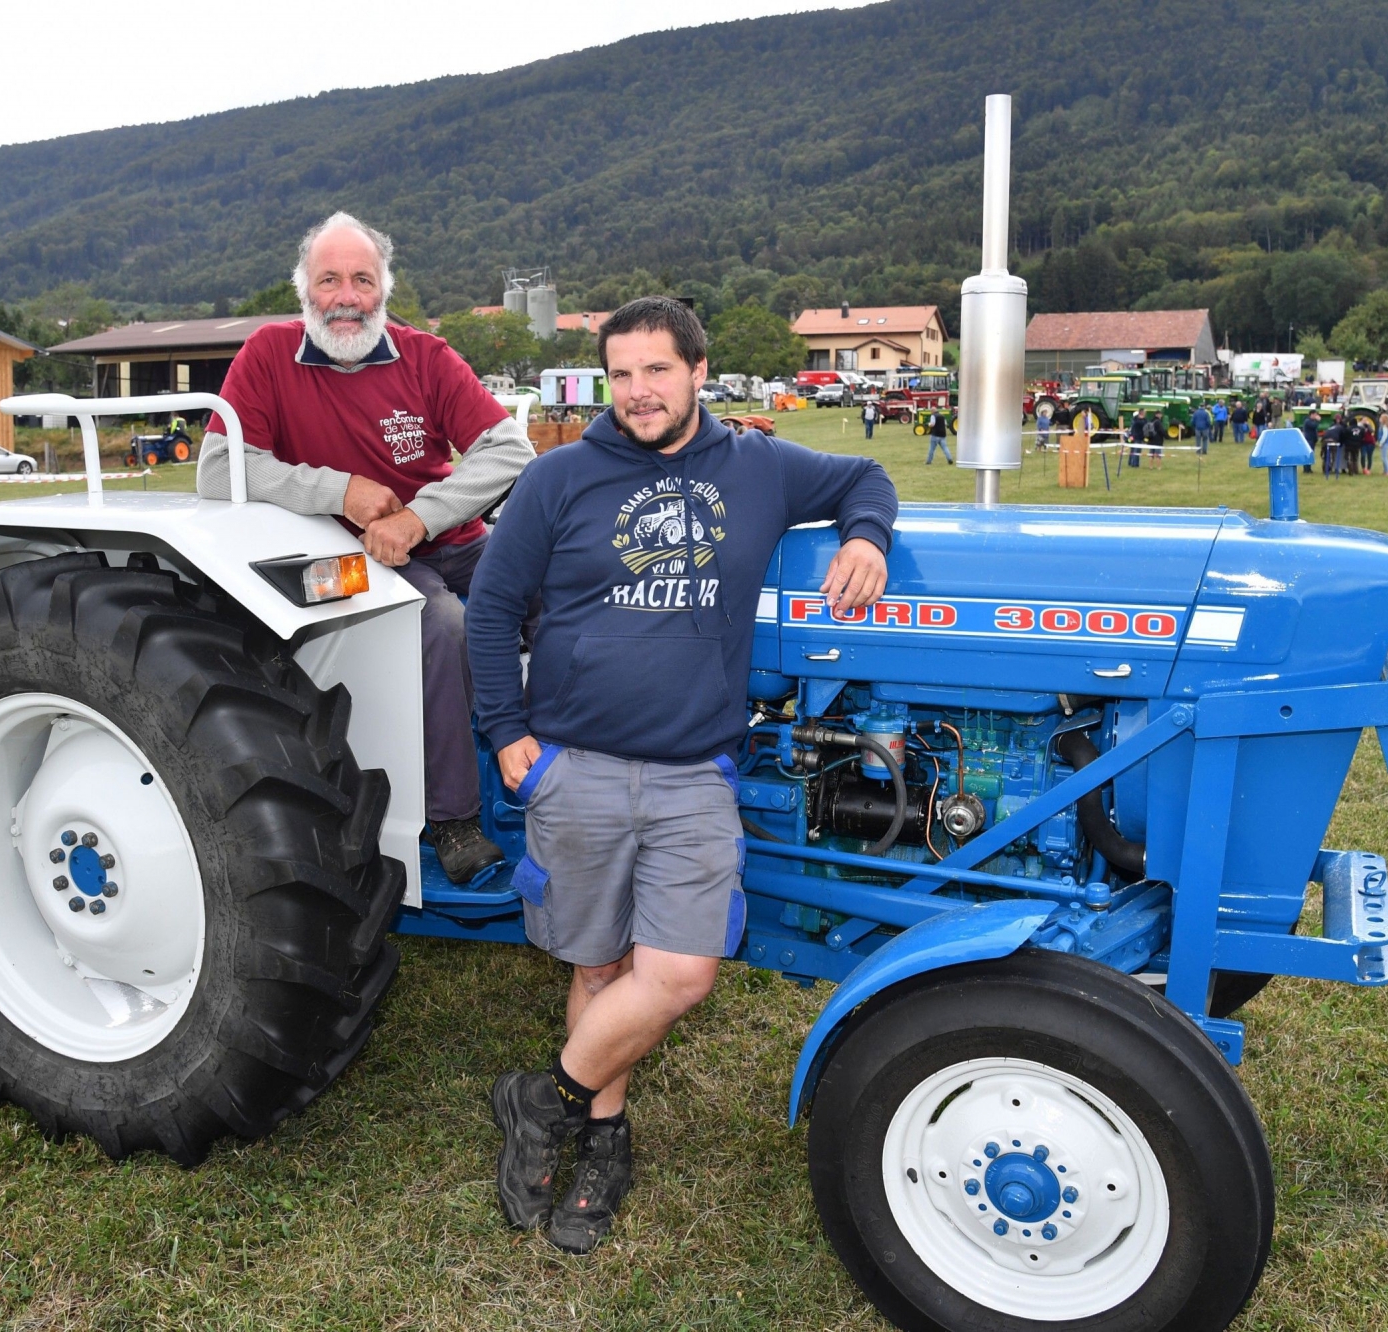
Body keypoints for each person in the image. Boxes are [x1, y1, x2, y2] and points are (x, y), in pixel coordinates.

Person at [467, 296, 896, 1255]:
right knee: (598, 964)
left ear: (700, 371)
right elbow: (492, 608)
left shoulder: (757, 465)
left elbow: (865, 472)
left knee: (680, 971)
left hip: (693, 770)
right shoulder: (560, 478)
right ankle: (604, 1140)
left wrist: (866, 536)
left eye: (656, 371)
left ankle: (544, 1102)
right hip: (573, 763)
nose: (638, 393)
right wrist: (507, 738)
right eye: (620, 375)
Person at [198, 211, 536, 884]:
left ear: (383, 288)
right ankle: (455, 819)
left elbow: (509, 449)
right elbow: (218, 467)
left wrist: (419, 516)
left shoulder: (426, 356)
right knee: (440, 624)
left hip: (446, 538)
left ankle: (571, 781)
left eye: (362, 279)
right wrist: (337, 491)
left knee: (564, 594)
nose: (346, 297)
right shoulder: (268, 354)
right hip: (344, 560)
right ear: (305, 291)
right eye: (330, 280)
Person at [1377, 410, 1388, 475]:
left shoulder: (1384, 427)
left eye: (1381, 418)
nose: (1379, 419)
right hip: (1385, 443)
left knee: (1384, 458)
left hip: (1385, 443)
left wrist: (1381, 443)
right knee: (1383, 457)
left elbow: (1384, 436)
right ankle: (1385, 470)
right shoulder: (1383, 426)